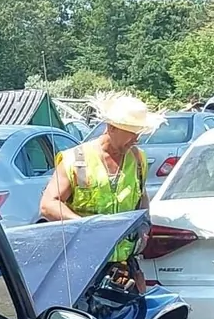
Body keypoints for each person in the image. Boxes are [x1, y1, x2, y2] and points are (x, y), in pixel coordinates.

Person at [39, 92, 163, 222]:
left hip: (127, 236)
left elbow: (142, 197)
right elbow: (48, 205)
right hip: (85, 235)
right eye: (132, 133)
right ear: (112, 128)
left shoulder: (138, 159)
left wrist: (144, 223)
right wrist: (86, 225)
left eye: (139, 133)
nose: (136, 139)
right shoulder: (76, 159)